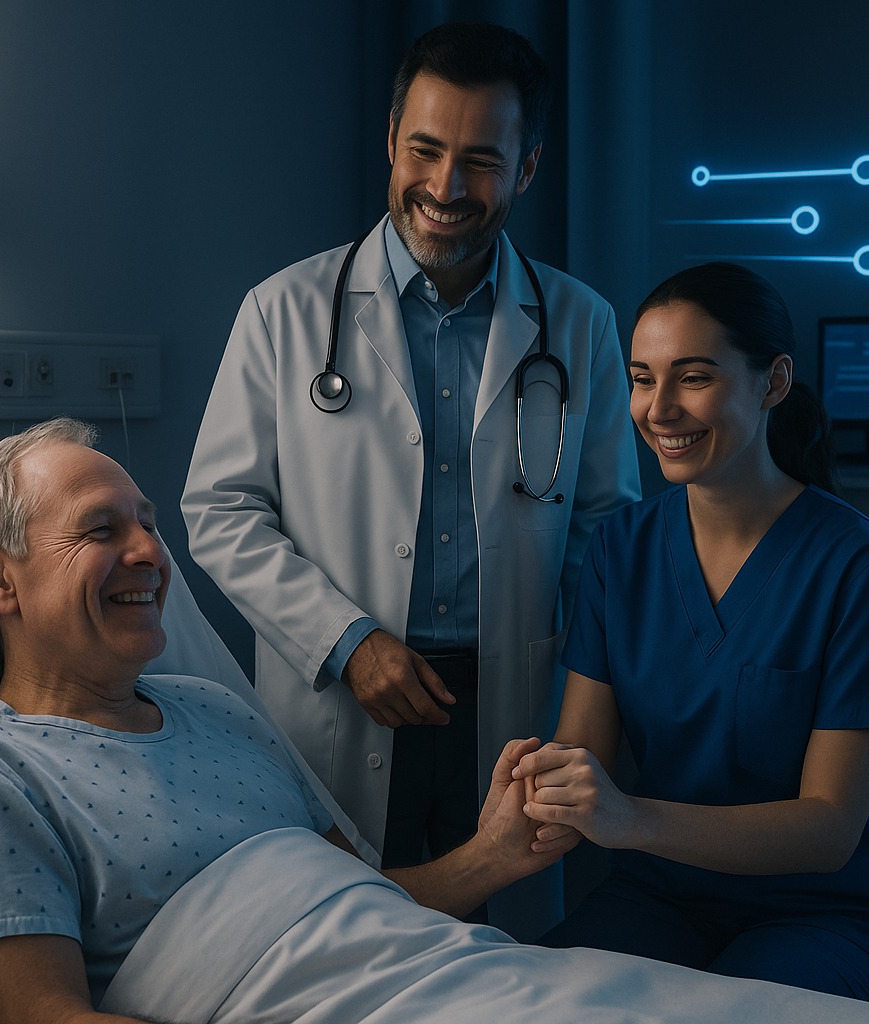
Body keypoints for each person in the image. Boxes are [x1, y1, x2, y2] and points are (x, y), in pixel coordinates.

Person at [180, 21, 639, 934]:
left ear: (528, 166)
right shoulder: (284, 311)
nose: (445, 187)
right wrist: (348, 641)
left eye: (480, 160)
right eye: (424, 150)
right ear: (391, 140)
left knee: (504, 961)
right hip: (340, 696)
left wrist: (584, 703)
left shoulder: (578, 323)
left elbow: (604, 531)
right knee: (338, 939)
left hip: (510, 703)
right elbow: (220, 510)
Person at [0, 418, 576, 1024]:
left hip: (451, 976)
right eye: (102, 529)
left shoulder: (216, 707)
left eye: (149, 525)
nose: (151, 555)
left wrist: (494, 853)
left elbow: (358, 911)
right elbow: (41, 1017)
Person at [513, 262, 869, 1005]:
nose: (659, 409)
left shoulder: (861, 565)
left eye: (692, 377)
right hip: (657, 899)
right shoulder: (620, 550)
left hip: (823, 912)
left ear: (773, 382)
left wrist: (630, 818)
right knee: (530, 1001)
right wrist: (544, 785)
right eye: (642, 379)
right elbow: (583, 756)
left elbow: (828, 829)